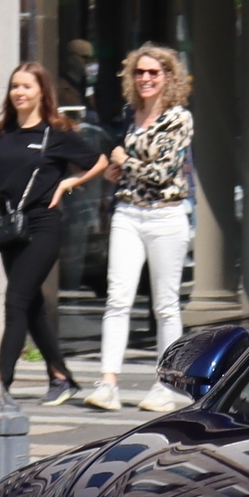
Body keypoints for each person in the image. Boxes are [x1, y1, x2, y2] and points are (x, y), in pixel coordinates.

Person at [0, 62, 118, 405]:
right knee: (32, 305)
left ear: (41, 92)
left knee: (16, 300)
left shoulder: (56, 132)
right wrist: (2, 188)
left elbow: (98, 160)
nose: (19, 92)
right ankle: (60, 376)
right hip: (11, 230)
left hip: (44, 226)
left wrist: (67, 183)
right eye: (15, 87)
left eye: (26, 86)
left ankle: (0, 384)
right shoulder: (2, 133)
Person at [88, 44, 195, 413]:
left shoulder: (179, 118)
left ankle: (167, 385)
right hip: (129, 214)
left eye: (154, 72)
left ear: (169, 77)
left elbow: (163, 172)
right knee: (117, 299)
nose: (146, 78)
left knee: (165, 305)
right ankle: (107, 383)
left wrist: (123, 160)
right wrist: (114, 171)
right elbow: (132, 170)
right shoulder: (130, 116)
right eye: (140, 72)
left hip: (166, 215)